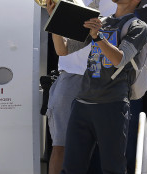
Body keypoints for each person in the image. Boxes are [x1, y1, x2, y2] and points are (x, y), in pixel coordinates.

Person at [49, 0, 147, 173]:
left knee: (113, 168)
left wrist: (98, 36)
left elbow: (120, 59)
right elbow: (62, 50)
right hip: (82, 104)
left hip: (112, 104)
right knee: (71, 168)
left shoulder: (138, 26)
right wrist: (55, 21)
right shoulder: (100, 21)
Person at [45, 1, 116, 174]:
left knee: (110, 148)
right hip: (71, 77)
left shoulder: (122, 3)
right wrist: (54, 18)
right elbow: (62, 48)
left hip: (109, 80)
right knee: (61, 145)